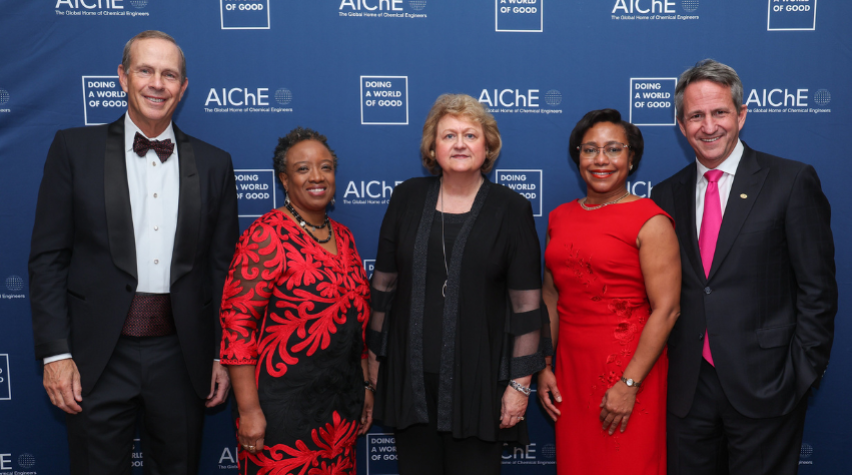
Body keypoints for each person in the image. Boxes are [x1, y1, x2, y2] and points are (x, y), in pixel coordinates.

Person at [28, 30, 239, 474]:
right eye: (145, 70)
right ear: (123, 77)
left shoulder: (216, 163)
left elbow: (222, 269)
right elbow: (49, 259)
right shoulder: (73, 150)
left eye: (169, 74)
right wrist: (55, 354)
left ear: (183, 88)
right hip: (95, 358)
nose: (156, 83)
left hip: (183, 356)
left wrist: (222, 354)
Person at [651, 59, 837, 475]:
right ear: (681, 126)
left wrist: (800, 374)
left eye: (719, 112)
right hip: (687, 391)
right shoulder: (665, 195)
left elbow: (818, 289)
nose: (709, 126)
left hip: (768, 385)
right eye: (695, 116)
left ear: (742, 115)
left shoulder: (790, 181)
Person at [366, 93, 546, 475]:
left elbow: (528, 307)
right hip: (409, 380)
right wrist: (374, 361)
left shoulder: (511, 208)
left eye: (470, 135)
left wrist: (519, 385)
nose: (460, 144)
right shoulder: (406, 197)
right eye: (448, 136)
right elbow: (383, 286)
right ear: (433, 146)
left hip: (479, 385)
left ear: (488, 146)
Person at [219, 127, 373, 474]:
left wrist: (364, 386)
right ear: (284, 180)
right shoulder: (266, 235)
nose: (317, 177)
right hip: (280, 414)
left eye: (326, 167)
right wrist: (248, 410)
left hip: (339, 412)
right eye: (303, 169)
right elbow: (237, 326)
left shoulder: (345, 238)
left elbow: (356, 326)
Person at [537, 109, 681, 475]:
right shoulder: (559, 217)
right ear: (578, 157)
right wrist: (543, 364)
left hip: (630, 370)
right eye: (590, 150)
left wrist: (629, 384)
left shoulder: (651, 220)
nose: (601, 160)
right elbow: (551, 298)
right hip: (571, 371)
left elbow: (666, 310)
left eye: (614, 149)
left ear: (631, 159)